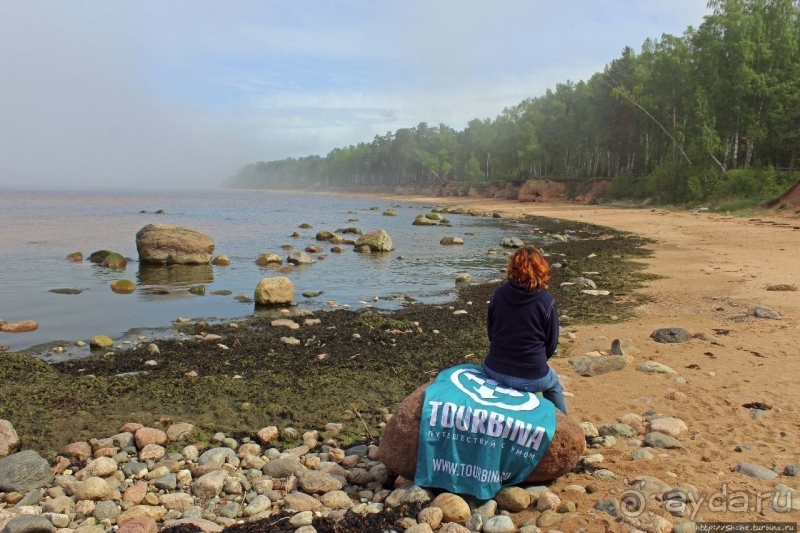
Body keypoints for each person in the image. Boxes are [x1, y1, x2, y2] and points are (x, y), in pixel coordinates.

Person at [481, 244, 568, 414]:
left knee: (544, 380)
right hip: (531, 374)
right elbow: (551, 342)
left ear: (513, 268)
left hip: (494, 368)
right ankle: (564, 423)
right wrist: (534, 360)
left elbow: (491, 332)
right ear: (541, 269)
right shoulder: (546, 301)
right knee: (553, 385)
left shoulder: (498, 294)